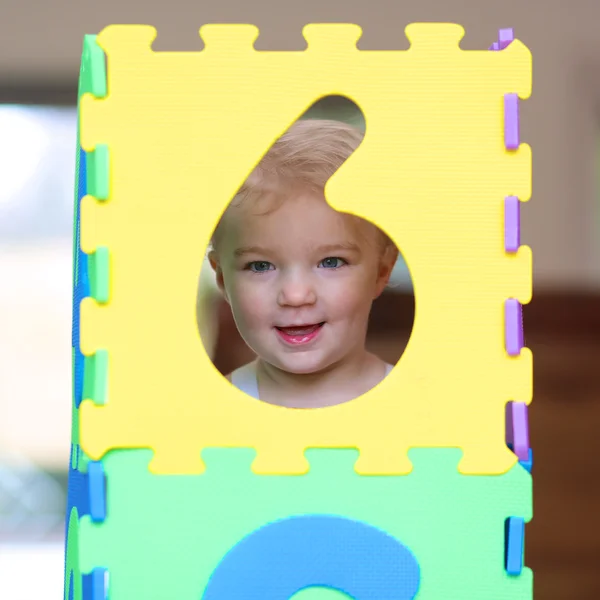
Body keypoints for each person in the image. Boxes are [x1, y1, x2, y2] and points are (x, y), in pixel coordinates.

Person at [208, 119, 398, 408]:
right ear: (222, 279)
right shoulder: (211, 411)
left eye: (331, 261)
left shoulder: (417, 404)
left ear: (381, 271)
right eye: (260, 266)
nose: (295, 296)